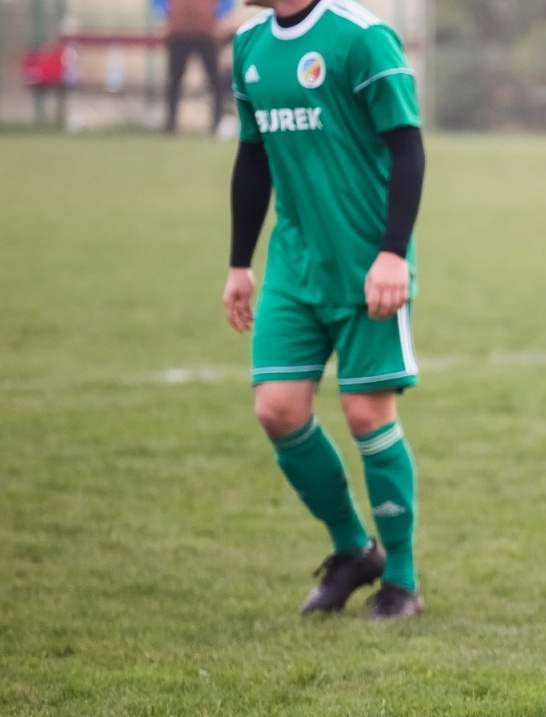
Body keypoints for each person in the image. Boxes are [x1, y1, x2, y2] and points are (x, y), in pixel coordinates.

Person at [223, 0, 426, 618]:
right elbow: (253, 157)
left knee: (367, 414)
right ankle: (353, 550)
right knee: (278, 410)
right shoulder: (250, 44)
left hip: (366, 265)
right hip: (294, 264)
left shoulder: (361, 38)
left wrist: (393, 255)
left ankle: (402, 581)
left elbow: (407, 148)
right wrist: (239, 262)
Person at [164, 0, 226, 133]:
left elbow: (227, 4)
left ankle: (216, 124)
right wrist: (170, 14)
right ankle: (170, 124)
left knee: (215, 81)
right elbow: (158, 4)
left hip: (206, 34)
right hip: (179, 34)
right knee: (174, 82)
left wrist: (213, 16)